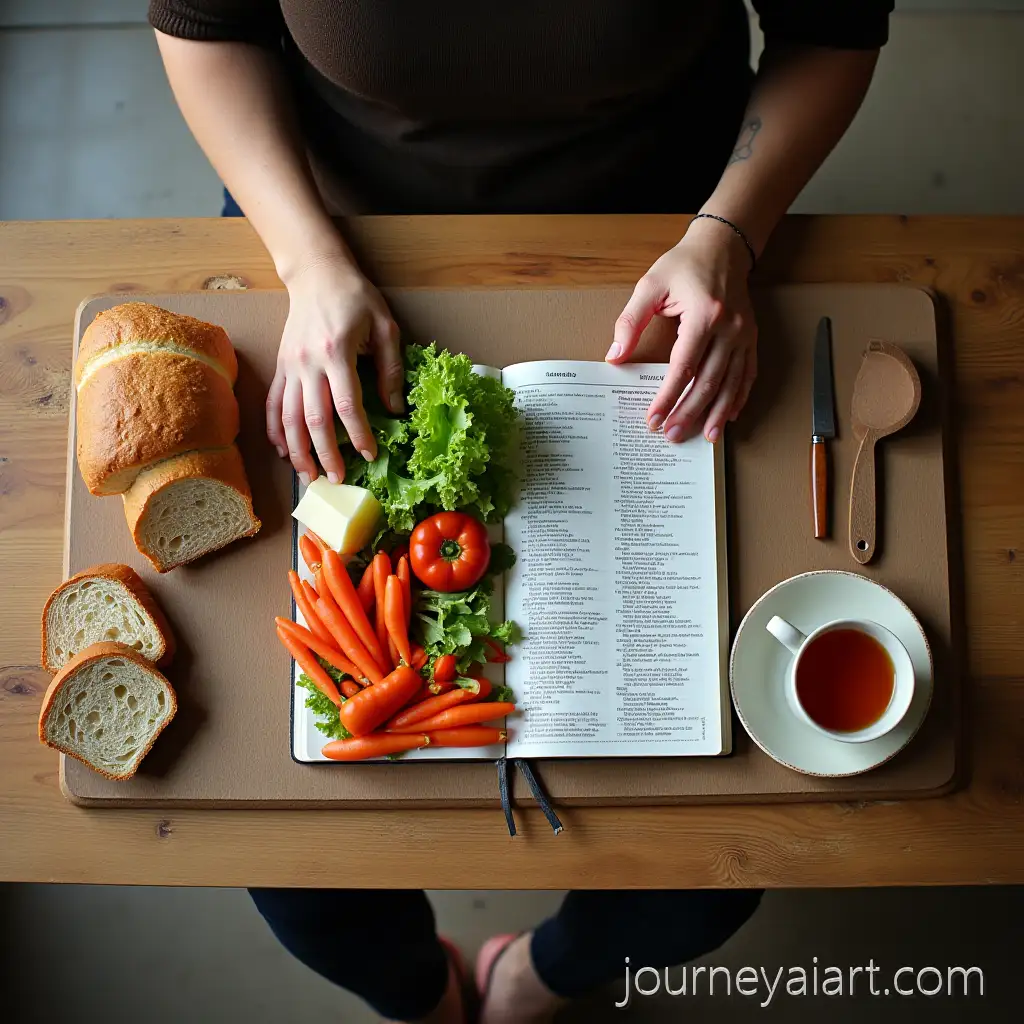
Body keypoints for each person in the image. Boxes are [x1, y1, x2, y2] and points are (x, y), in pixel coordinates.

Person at [149, 3, 893, 1021]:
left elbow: (833, 26)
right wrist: (308, 264)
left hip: (666, 230)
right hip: (326, 230)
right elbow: (206, 26)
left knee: (711, 866)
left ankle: (541, 979)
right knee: (293, 873)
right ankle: (421, 995)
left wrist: (727, 233)